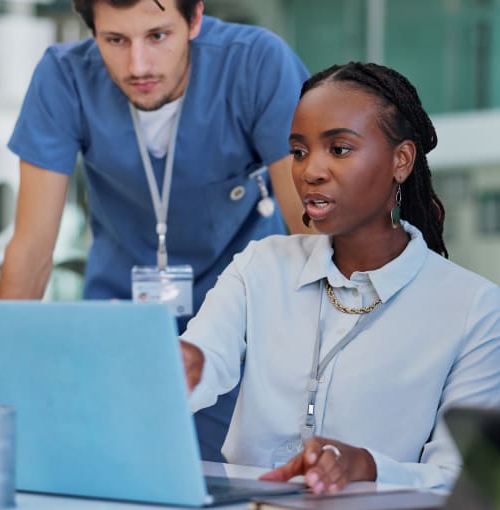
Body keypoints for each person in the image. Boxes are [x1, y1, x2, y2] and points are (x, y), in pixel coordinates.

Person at [0, 0, 311, 462]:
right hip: (122, 341)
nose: (138, 65)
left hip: (243, 341)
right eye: (115, 40)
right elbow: (31, 251)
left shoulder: (257, 64)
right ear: (92, 31)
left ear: (195, 18)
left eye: (158, 36)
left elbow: (313, 233)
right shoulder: (64, 78)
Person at [181, 61, 500, 492]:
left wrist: (366, 465)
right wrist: (175, 367)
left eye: (339, 149)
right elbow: (199, 363)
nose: (310, 170)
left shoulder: (473, 308)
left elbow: (459, 478)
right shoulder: (261, 265)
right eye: (298, 151)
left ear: (401, 160)